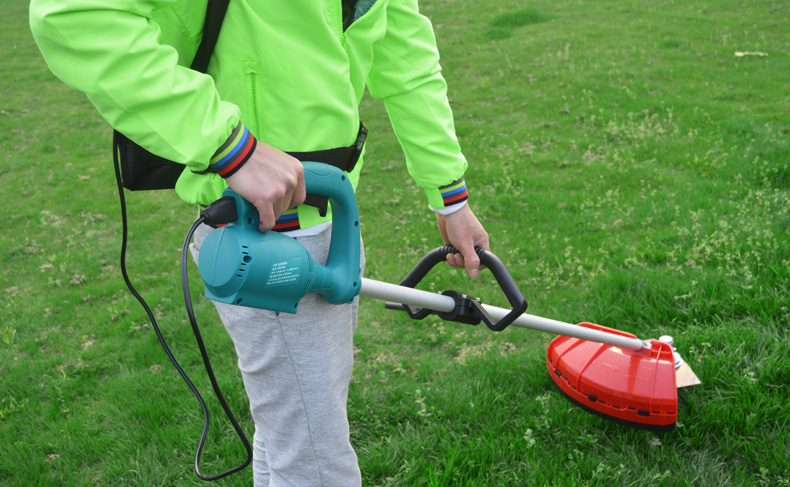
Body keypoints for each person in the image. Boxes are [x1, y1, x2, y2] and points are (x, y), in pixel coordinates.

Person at [30, 0, 489, 485]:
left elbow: (405, 53)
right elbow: (73, 15)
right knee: (315, 465)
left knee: (288, 436)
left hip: (329, 216)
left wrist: (449, 195)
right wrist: (228, 146)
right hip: (263, 233)